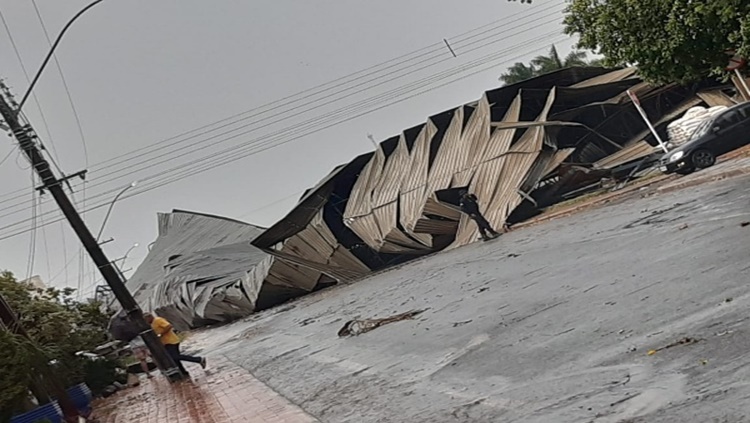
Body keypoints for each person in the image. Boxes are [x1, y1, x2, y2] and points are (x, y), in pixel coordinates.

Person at [144, 312, 206, 376]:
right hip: (166, 342)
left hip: (171, 341)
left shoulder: (158, 320)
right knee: (175, 358)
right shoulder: (152, 324)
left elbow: (168, 326)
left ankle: (198, 359)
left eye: (146, 319)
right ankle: (183, 372)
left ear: (149, 317)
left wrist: (161, 334)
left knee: (175, 357)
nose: (146, 321)